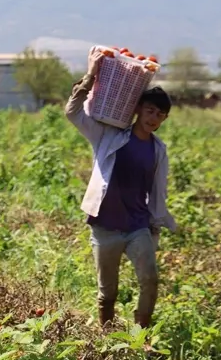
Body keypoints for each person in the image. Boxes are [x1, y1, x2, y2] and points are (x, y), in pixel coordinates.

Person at [65, 48, 177, 329]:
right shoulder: (109, 135)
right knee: (108, 291)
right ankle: (108, 337)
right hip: (105, 227)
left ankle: (141, 336)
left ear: (164, 120)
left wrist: (155, 227)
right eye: (150, 110)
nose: (154, 117)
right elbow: (73, 112)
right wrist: (91, 74)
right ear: (138, 109)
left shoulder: (158, 150)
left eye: (160, 114)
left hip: (137, 226)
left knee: (150, 280)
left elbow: (158, 192)